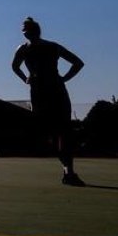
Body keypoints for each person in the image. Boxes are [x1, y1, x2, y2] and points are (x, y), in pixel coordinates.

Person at [11, 16, 85, 186]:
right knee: (49, 132)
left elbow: (78, 63)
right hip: (39, 92)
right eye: (24, 30)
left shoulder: (51, 47)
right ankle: (67, 169)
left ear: (36, 31)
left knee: (63, 131)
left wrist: (64, 78)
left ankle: (69, 171)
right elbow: (14, 66)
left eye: (28, 29)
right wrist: (25, 78)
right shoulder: (23, 49)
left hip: (55, 91)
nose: (25, 33)